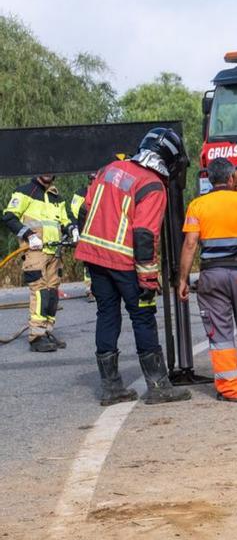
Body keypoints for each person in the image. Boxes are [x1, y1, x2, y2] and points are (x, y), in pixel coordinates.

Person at [75, 127, 192, 406]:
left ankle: (111, 388)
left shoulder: (110, 169)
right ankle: (158, 386)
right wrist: (148, 282)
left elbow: (84, 211)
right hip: (126, 261)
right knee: (143, 317)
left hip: (94, 257)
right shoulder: (152, 185)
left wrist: (91, 249)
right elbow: (143, 235)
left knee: (107, 315)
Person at [177, 157, 237, 402]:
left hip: (212, 276)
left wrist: (182, 279)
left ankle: (231, 390)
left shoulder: (197, 205)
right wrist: (236, 185)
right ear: (230, 178)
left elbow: (190, 243)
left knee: (221, 333)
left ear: (207, 179)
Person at [2, 174, 75, 352]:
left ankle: (46, 330)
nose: (47, 172)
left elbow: (66, 220)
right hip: (35, 252)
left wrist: (73, 229)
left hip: (55, 253)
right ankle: (36, 336)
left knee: (52, 293)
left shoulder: (57, 197)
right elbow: (9, 217)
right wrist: (29, 235)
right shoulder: (25, 192)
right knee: (40, 292)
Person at [68, 175, 96, 302]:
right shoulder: (81, 193)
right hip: (86, 232)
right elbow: (74, 212)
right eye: (91, 179)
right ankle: (90, 289)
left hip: (102, 232)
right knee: (88, 262)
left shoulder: (106, 189)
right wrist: (75, 230)